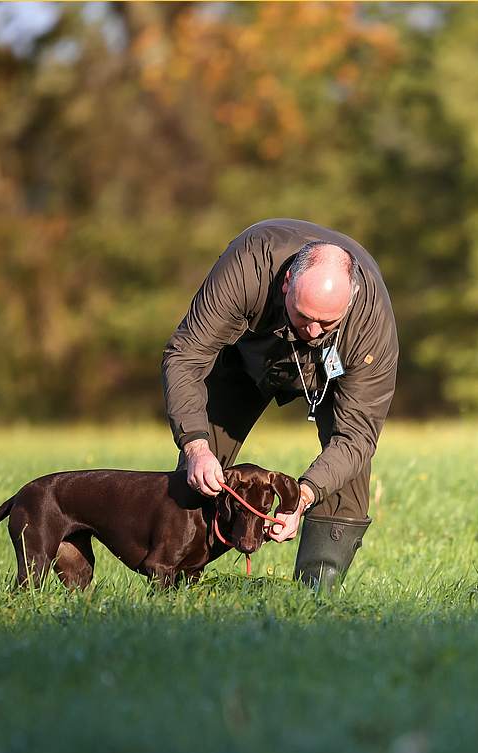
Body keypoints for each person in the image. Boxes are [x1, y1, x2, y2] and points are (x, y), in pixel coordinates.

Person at [163, 218, 398, 587]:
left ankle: (314, 596)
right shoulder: (249, 267)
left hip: (329, 371)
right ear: (287, 282)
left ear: (350, 301)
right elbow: (185, 355)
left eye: (327, 323)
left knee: (347, 471)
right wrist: (195, 445)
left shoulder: (371, 324)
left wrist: (301, 497)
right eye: (304, 316)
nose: (313, 331)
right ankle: (176, 584)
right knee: (202, 472)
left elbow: (356, 437)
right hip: (244, 361)